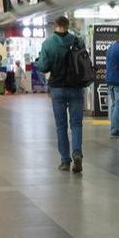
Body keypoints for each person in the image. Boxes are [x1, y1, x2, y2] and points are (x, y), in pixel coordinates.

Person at [37, 15, 86, 173]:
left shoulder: (48, 44)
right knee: (76, 124)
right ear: (67, 25)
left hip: (57, 88)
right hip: (76, 87)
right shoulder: (77, 41)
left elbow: (44, 67)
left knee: (61, 126)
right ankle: (77, 152)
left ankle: (65, 161)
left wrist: (38, 62)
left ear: (55, 25)